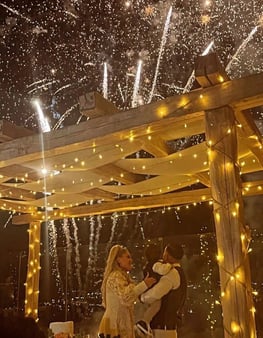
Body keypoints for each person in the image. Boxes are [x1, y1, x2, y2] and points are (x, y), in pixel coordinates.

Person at [98, 244, 156, 338]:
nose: (131, 260)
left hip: (116, 325)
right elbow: (125, 297)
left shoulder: (120, 276)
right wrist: (144, 284)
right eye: (128, 257)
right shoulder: (116, 276)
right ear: (118, 259)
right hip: (116, 327)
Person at [140, 244, 187, 338]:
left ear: (168, 255)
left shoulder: (172, 273)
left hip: (162, 328)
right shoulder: (180, 272)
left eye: (165, 252)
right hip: (169, 326)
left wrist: (142, 297)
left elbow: (156, 293)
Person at [135, 244, 172, 337]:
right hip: (152, 290)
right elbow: (163, 270)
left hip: (147, 290)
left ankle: (146, 325)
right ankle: (144, 322)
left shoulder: (147, 266)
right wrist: (169, 265)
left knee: (152, 307)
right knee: (156, 306)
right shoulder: (156, 264)